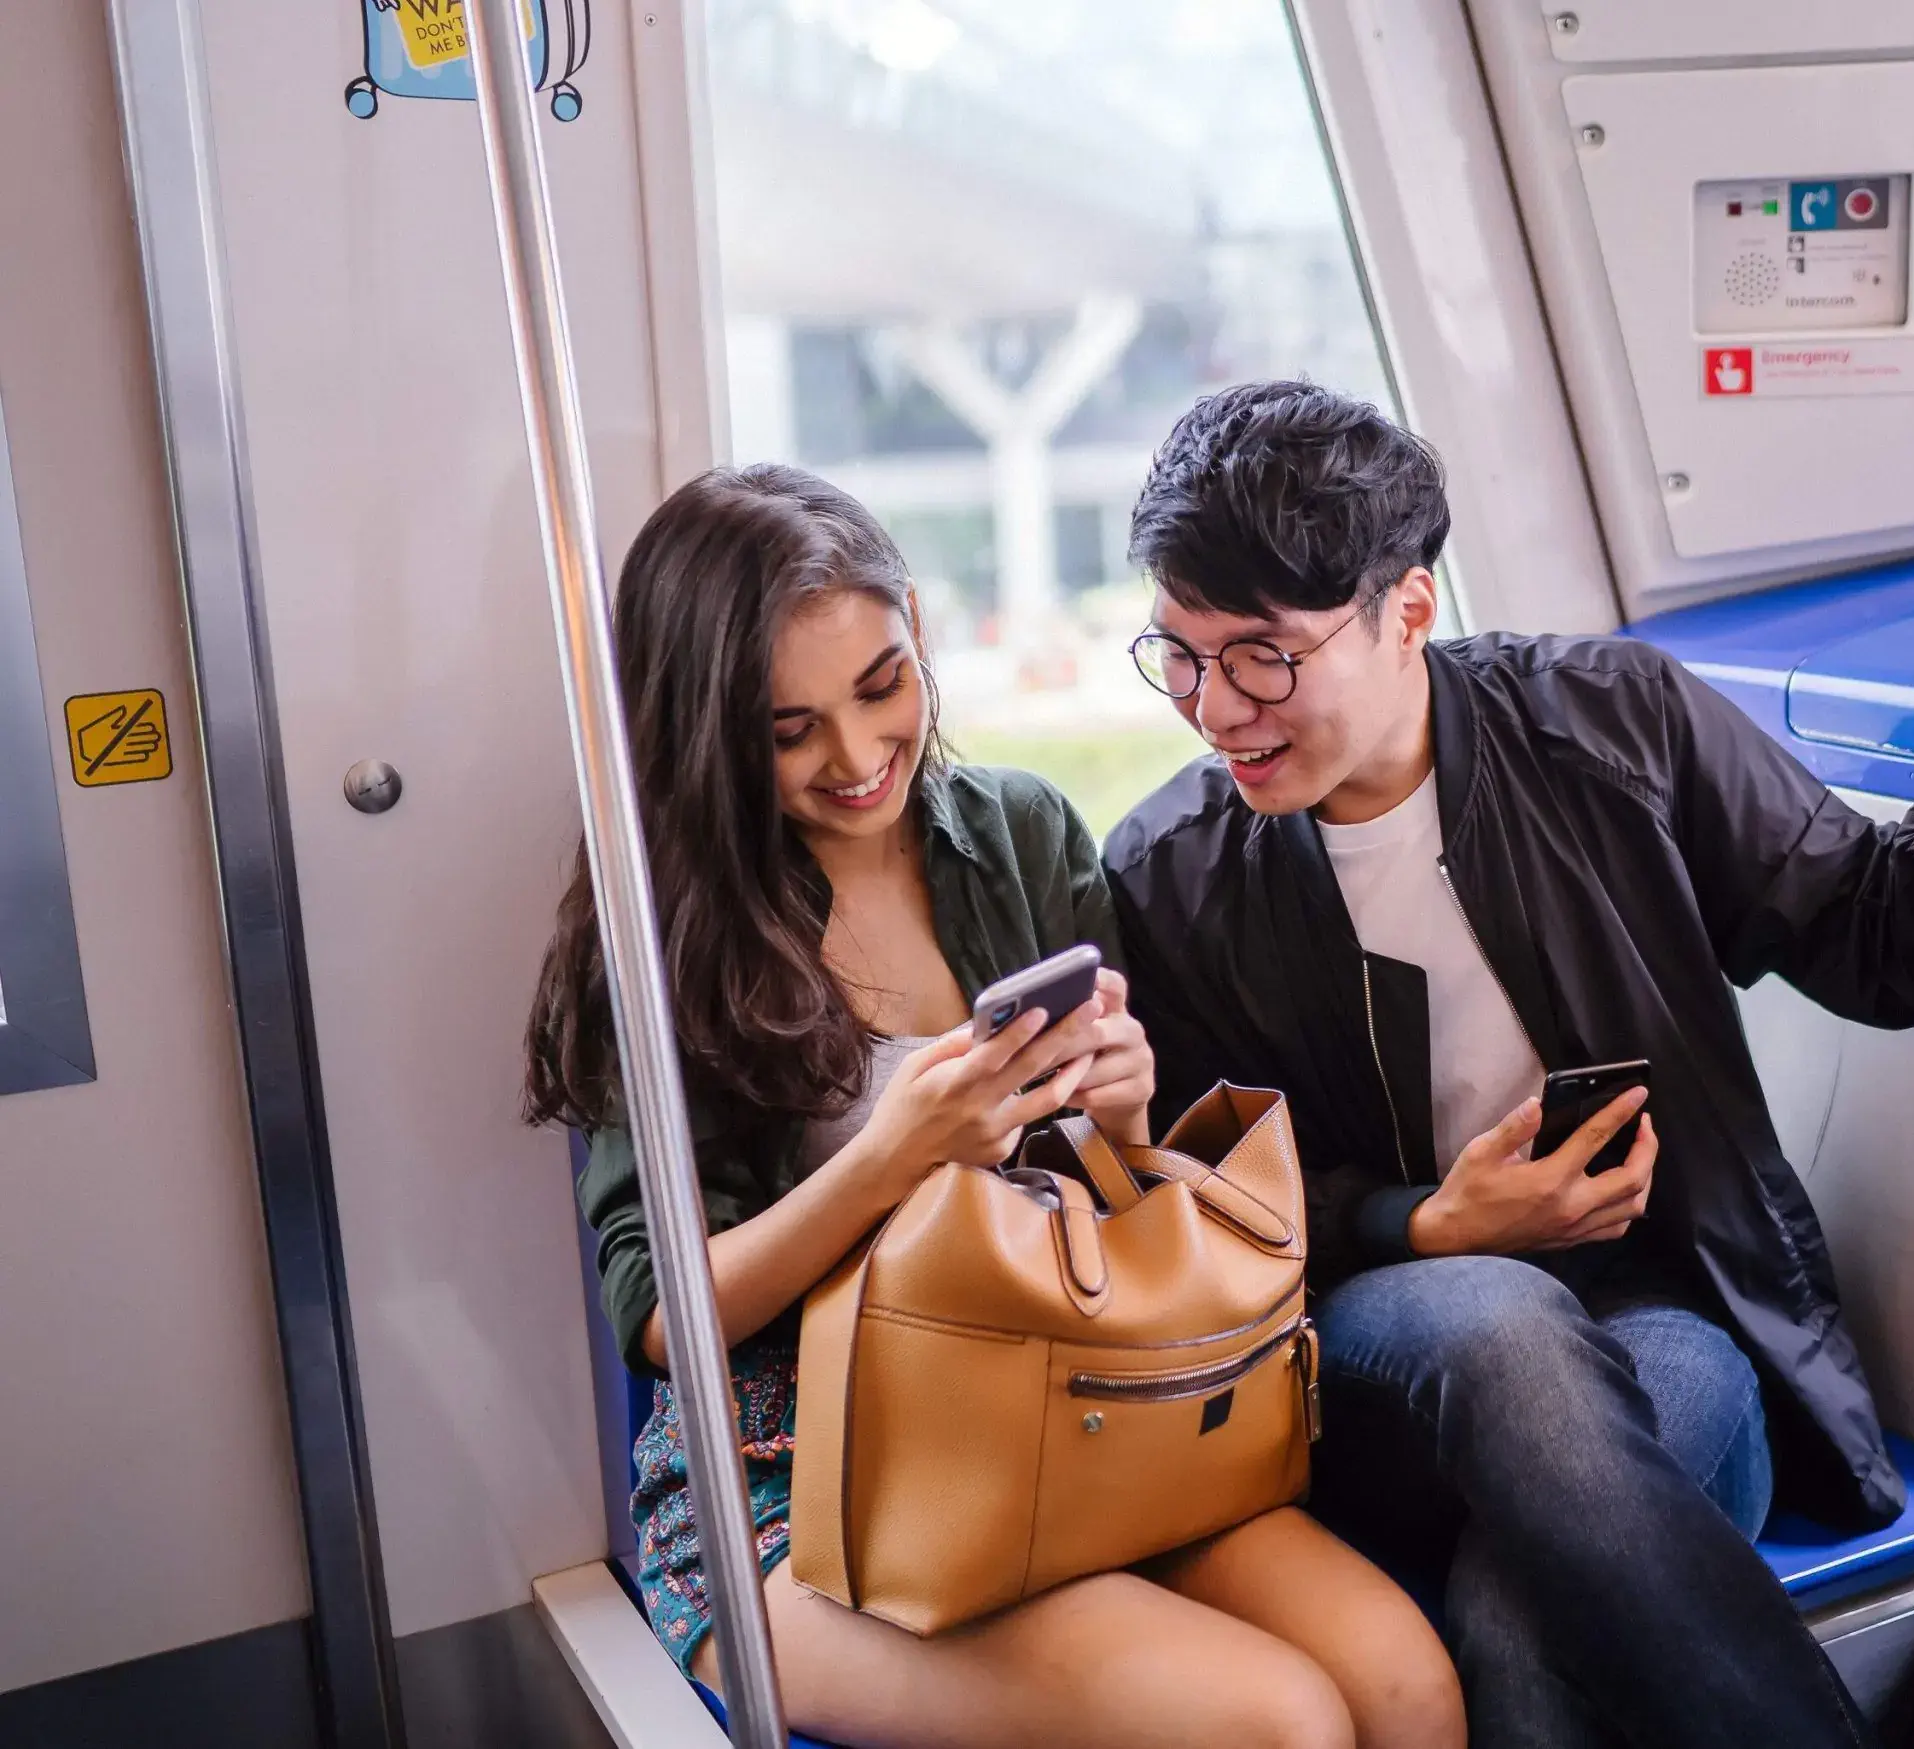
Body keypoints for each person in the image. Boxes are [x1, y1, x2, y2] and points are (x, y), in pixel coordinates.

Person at [1102, 382, 1914, 1749]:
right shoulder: (1171, 870)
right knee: (1493, 1316)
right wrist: (1426, 1225)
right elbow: (1205, 1212)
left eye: (1261, 656)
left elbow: (1887, 944)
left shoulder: (1611, 725)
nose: (1213, 707)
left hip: (1663, 1312)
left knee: (1514, 1622)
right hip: (1363, 1353)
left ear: (1408, 609)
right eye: (1176, 655)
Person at [524, 464, 1463, 1749]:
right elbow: (657, 1315)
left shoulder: (1019, 831)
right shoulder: (661, 933)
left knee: (1407, 1689)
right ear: (703, 726)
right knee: (1277, 1721)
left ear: (914, 624)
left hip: (1074, 1403)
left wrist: (1127, 1118)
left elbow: (1112, 1200)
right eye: (787, 730)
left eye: (881, 686)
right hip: (805, 1476)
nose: (858, 758)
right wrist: (892, 1158)